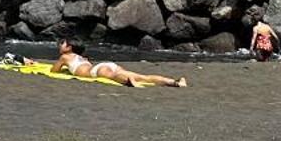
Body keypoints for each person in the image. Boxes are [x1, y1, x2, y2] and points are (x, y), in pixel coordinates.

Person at [53, 39, 187, 88]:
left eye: (62, 44)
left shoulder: (65, 57)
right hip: (106, 64)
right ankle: (176, 82)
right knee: (144, 77)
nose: (60, 46)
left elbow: (54, 71)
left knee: (112, 77)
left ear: (69, 47)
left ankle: (128, 81)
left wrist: (63, 68)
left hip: (97, 71)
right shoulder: (83, 58)